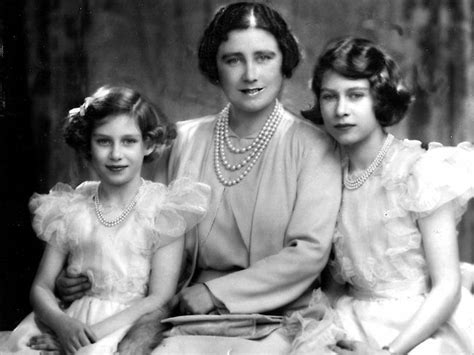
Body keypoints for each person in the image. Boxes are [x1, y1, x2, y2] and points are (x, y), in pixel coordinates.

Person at [54, 2, 342, 354]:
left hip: (278, 316)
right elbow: (136, 221)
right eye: (233, 59)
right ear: (215, 67)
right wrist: (85, 274)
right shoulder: (185, 140)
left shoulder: (314, 147)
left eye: (264, 57)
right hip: (181, 313)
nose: (250, 74)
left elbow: (308, 253)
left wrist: (215, 293)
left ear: (284, 62)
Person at [290, 37, 474, 355]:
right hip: (352, 319)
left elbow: (447, 288)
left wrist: (388, 353)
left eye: (356, 96)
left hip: (421, 326)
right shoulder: (327, 174)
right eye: (329, 97)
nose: (341, 110)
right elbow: (336, 282)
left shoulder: (420, 171)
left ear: (379, 99)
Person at [3, 86, 210, 354]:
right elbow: (42, 286)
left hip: (126, 327)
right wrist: (63, 326)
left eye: (128, 141)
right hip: (68, 322)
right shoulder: (71, 206)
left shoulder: (164, 209)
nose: (115, 154)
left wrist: (88, 338)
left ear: (147, 144)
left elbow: (160, 297)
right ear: (87, 143)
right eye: (103, 141)